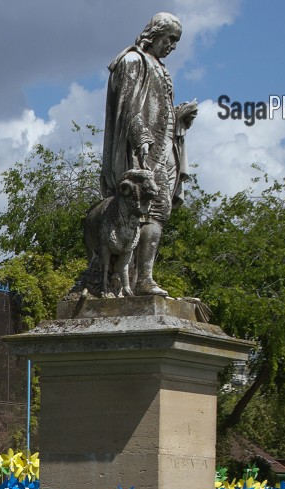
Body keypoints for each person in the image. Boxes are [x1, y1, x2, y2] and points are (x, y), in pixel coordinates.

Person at [101, 11, 198, 296]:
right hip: (140, 150)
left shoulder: (160, 68)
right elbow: (128, 105)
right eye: (170, 38)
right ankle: (126, 279)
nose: (172, 46)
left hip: (164, 147)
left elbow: (160, 111)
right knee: (141, 209)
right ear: (155, 33)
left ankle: (145, 277)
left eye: (176, 41)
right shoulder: (134, 61)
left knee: (160, 211)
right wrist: (140, 135)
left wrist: (180, 118)